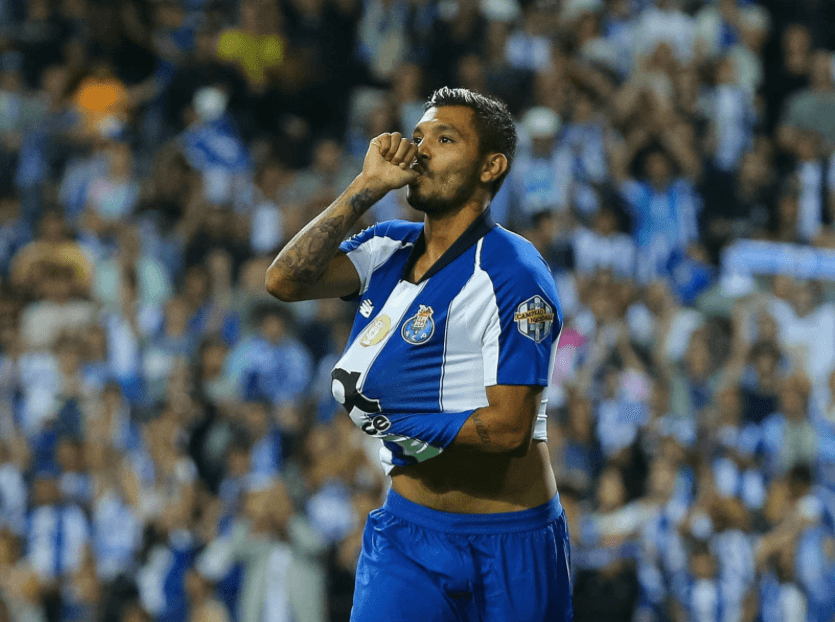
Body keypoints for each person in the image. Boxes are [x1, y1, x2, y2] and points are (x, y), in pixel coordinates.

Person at [266, 87, 572, 621]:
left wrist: (392, 420)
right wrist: (364, 188)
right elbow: (284, 281)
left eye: (444, 139)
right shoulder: (387, 247)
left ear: (490, 166)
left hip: (510, 542)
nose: (420, 150)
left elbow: (509, 430)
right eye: (417, 137)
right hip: (407, 535)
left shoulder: (515, 273)